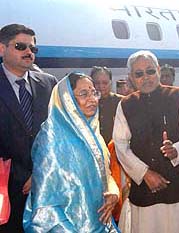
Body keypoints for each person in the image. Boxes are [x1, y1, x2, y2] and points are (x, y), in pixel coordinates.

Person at [113, 50, 179, 233]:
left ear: (158, 70)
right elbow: (120, 145)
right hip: (145, 192)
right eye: (139, 74)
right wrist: (144, 173)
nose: (146, 77)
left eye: (150, 71)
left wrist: (177, 149)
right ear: (131, 78)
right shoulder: (126, 104)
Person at [23, 72, 119, 232]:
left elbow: (105, 174)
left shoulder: (93, 135)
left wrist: (114, 193)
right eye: (83, 94)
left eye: (94, 93)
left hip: (100, 224)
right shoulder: (52, 138)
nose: (92, 99)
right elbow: (45, 207)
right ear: (66, 99)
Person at [0, 23, 57, 232]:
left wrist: (40, 172)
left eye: (33, 48)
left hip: (44, 186)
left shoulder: (49, 83)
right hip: (5, 187)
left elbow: (57, 132)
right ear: (1, 48)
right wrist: (19, 175)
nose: (28, 52)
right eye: (20, 46)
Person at [90, 66, 123, 144]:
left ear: (111, 83)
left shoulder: (121, 102)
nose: (101, 86)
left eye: (105, 83)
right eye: (97, 83)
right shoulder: (85, 104)